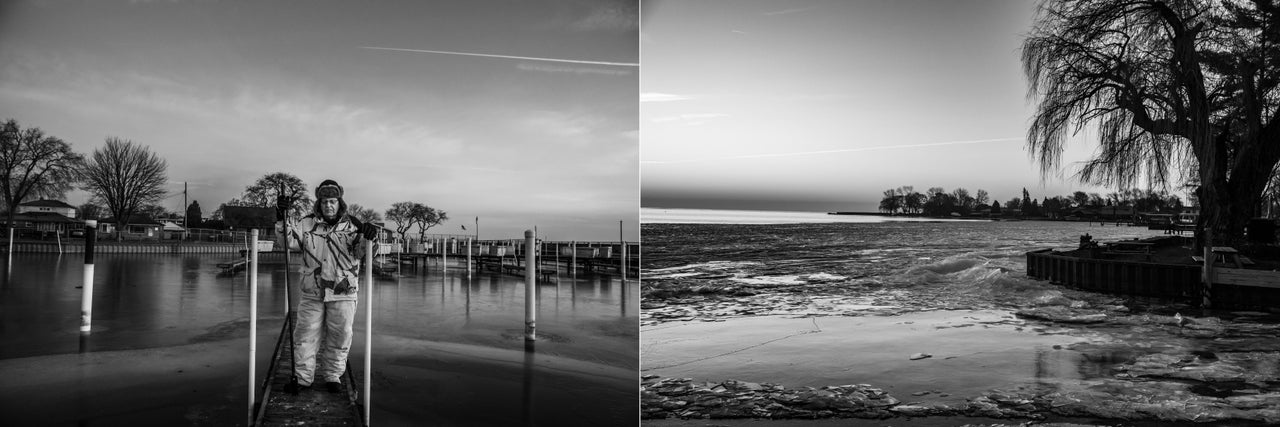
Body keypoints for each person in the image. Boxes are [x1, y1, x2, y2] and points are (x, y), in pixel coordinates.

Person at [276, 179, 379, 393]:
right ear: (319, 203)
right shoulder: (306, 223)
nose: (328, 206)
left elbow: (365, 253)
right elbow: (287, 242)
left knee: (340, 334)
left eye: (332, 201)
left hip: (343, 292)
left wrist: (371, 238)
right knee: (305, 334)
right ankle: (303, 377)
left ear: (339, 201)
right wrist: (280, 217)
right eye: (324, 202)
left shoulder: (354, 225)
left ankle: (333, 375)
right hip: (312, 291)